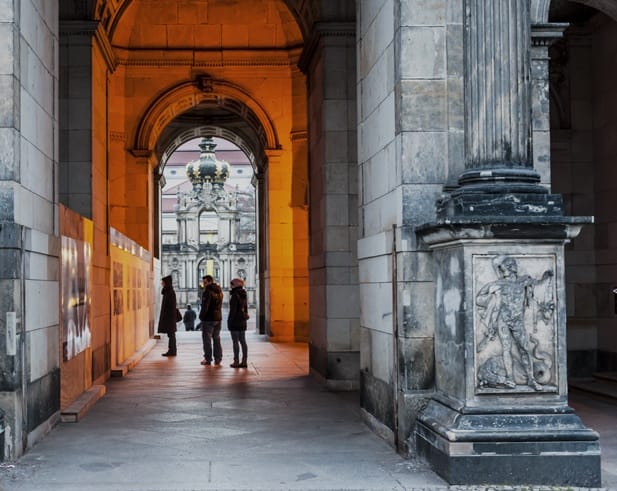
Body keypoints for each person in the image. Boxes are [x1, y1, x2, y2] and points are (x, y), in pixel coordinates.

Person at [476, 256, 553, 391]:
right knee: (506, 349)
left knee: (524, 349)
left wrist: (545, 277)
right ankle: (510, 379)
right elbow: (479, 299)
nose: (502, 271)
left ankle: (531, 379)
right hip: (503, 320)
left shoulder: (522, 281)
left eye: (504, 268)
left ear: (511, 268)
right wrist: (491, 296)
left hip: (517, 321)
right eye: (501, 269)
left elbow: (537, 283)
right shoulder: (498, 284)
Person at [199, 275, 223, 366]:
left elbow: (205, 307)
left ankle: (208, 358)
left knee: (207, 339)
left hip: (209, 319)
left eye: (205, 282)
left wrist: (201, 317)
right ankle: (218, 358)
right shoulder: (219, 291)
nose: (204, 284)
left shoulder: (207, 292)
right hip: (218, 318)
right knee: (217, 338)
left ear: (209, 281)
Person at [228, 278, 249, 368]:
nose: (230, 285)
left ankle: (236, 361)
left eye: (232, 284)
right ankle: (244, 361)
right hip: (242, 321)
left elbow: (233, 311)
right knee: (243, 341)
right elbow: (246, 308)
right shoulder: (244, 294)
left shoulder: (234, 295)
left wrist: (229, 322)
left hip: (235, 321)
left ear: (236, 285)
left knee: (235, 342)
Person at [157, 275, 178, 356]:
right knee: (171, 334)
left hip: (169, 318)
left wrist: (166, 318)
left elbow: (170, 306)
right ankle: (172, 350)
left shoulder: (170, 292)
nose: (162, 283)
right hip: (169, 317)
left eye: (163, 282)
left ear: (166, 283)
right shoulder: (168, 291)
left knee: (171, 334)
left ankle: (172, 351)